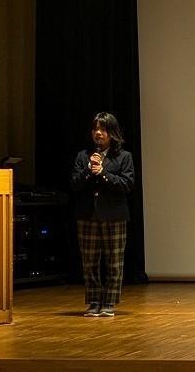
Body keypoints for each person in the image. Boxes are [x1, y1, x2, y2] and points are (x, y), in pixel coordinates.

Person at [70, 112, 135, 317]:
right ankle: (94, 302)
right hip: (87, 216)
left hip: (114, 216)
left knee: (114, 262)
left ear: (112, 132)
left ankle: (109, 303)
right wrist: (89, 169)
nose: (98, 133)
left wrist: (104, 174)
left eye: (103, 129)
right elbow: (74, 184)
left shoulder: (124, 157)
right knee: (89, 263)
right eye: (95, 129)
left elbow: (127, 184)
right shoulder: (83, 156)